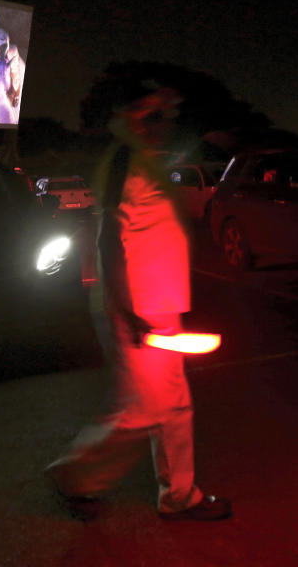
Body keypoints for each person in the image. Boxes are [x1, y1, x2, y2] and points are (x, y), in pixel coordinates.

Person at [46, 84, 232, 521]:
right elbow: (111, 236)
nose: (162, 125)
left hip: (157, 306)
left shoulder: (146, 161)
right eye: (152, 116)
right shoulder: (127, 159)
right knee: (147, 408)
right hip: (139, 308)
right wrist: (127, 311)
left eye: (165, 117)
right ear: (128, 118)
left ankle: (177, 494)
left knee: (171, 406)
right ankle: (75, 476)